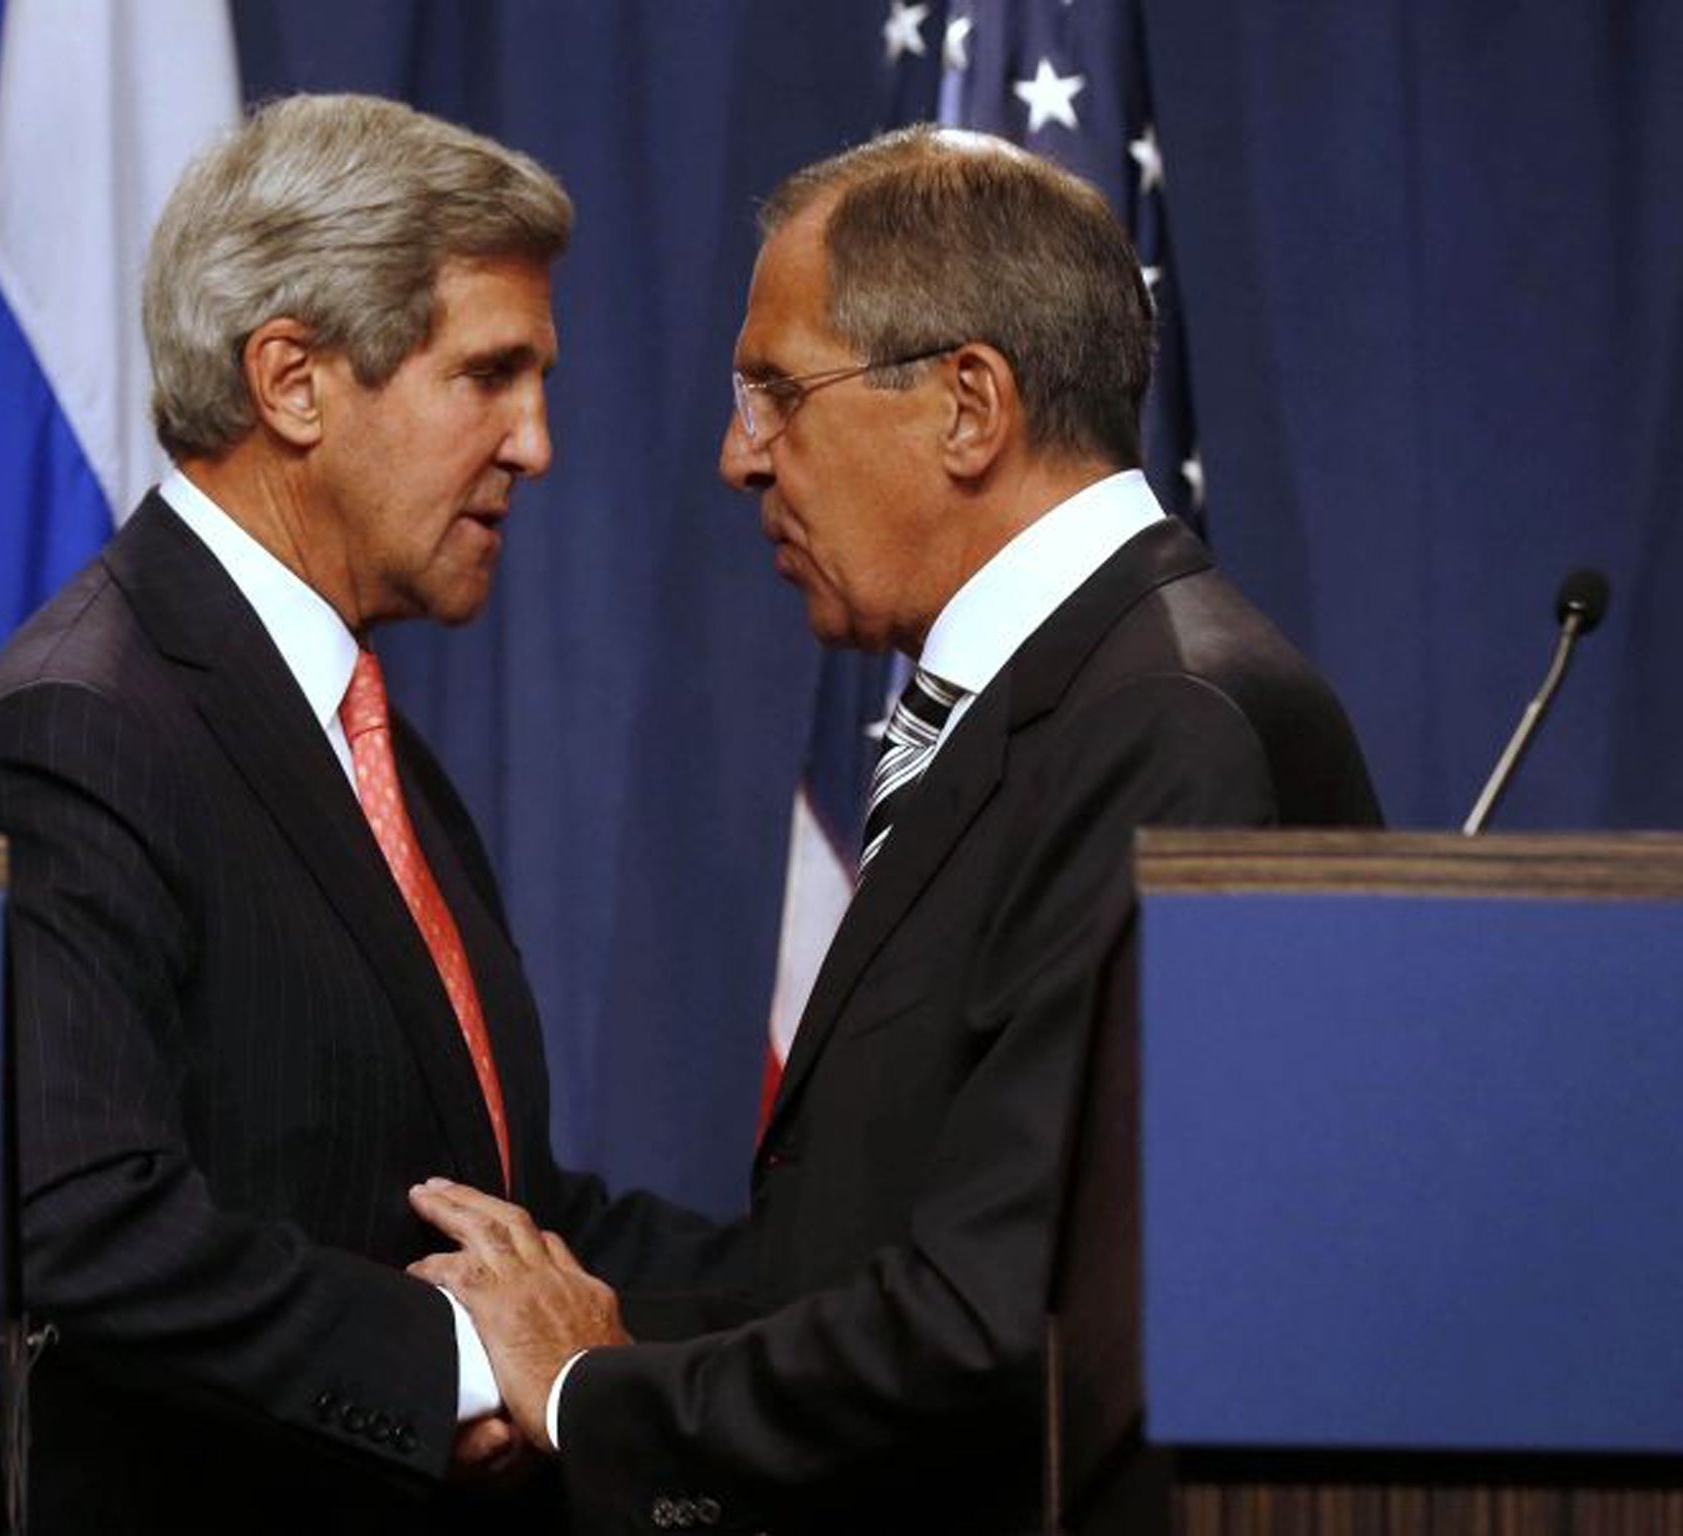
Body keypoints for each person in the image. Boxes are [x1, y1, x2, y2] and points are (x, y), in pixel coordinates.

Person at [408, 125, 1383, 1533]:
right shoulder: (1078, 697)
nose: (743, 461)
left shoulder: (1164, 721)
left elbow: (1003, 1315)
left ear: (970, 406)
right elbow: (874, 1255)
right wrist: (568, 1325)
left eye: (775, 394)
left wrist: (584, 1391)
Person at [0, 94, 731, 1535]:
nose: (535, 442)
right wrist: (469, 1365)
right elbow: (87, 1225)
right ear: (293, 380)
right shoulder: (77, 731)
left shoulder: (369, 748)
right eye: (488, 375)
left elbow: (499, 1208)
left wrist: (850, 1283)